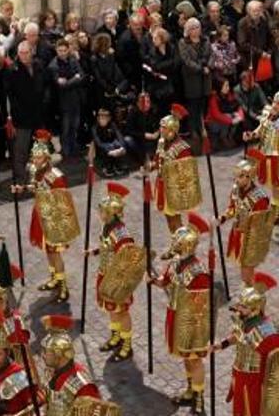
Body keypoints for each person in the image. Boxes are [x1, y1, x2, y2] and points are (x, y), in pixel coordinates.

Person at [147, 212, 212, 415]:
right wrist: (152, 278)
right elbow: (165, 282)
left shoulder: (199, 273)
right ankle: (190, 389)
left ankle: (199, 396)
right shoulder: (175, 262)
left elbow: (200, 307)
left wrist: (194, 332)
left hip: (191, 322)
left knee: (193, 358)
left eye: (176, 242)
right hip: (174, 314)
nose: (173, 244)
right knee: (185, 357)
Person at [210, 273, 279, 416]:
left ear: (255, 309)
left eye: (243, 307)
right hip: (240, 374)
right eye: (240, 305)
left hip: (255, 383)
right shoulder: (242, 319)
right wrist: (222, 345)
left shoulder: (268, 334)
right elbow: (238, 335)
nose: (239, 310)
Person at [13, 130, 73, 302]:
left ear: (46, 158)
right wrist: (21, 189)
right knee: (48, 251)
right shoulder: (36, 172)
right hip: (40, 213)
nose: (35, 160)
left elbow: (63, 201)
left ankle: (63, 286)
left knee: (55, 253)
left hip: (53, 220)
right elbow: (35, 187)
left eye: (38, 158)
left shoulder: (55, 176)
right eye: (34, 157)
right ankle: (54, 279)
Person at [84, 182, 138, 362]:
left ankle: (127, 344)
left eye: (103, 212)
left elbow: (129, 259)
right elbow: (107, 247)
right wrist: (94, 252)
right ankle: (116, 337)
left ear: (111, 213)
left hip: (117, 280)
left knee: (121, 312)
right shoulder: (108, 227)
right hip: (105, 273)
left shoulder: (122, 234)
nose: (100, 214)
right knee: (111, 310)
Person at [243, 83, 279, 242]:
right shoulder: (268, 114)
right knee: (274, 187)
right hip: (267, 157)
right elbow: (262, 130)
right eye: (274, 102)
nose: (275, 105)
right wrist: (251, 135)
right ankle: (276, 215)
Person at [39, 315, 116, 415]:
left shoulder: (84, 387)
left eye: (46, 352)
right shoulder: (51, 371)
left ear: (58, 354)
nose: (43, 355)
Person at [215, 149, 271, 285]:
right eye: (236, 176)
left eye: (240, 177)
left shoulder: (260, 199)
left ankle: (250, 295)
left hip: (251, 239)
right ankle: (248, 291)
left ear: (249, 177)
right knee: (243, 267)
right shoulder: (236, 189)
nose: (236, 180)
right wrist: (223, 218)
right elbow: (232, 209)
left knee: (247, 268)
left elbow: (261, 226)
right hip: (238, 233)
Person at [148, 104, 198, 232]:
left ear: (172, 129)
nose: (160, 130)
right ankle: (175, 243)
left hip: (174, 190)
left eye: (163, 127)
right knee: (169, 219)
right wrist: (150, 166)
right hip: (162, 186)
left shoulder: (182, 149)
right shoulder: (162, 142)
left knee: (175, 219)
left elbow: (187, 174)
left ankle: (182, 244)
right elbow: (157, 160)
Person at [5, 42, 47, 184]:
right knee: (20, 151)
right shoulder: (12, 70)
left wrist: (45, 101)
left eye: (26, 52)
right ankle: (21, 180)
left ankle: (40, 176)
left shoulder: (38, 65)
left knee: (40, 148)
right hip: (22, 118)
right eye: (21, 53)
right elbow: (11, 96)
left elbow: (45, 85)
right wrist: (16, 115)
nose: (23, 56)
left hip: (38, 114)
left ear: (32, 52)